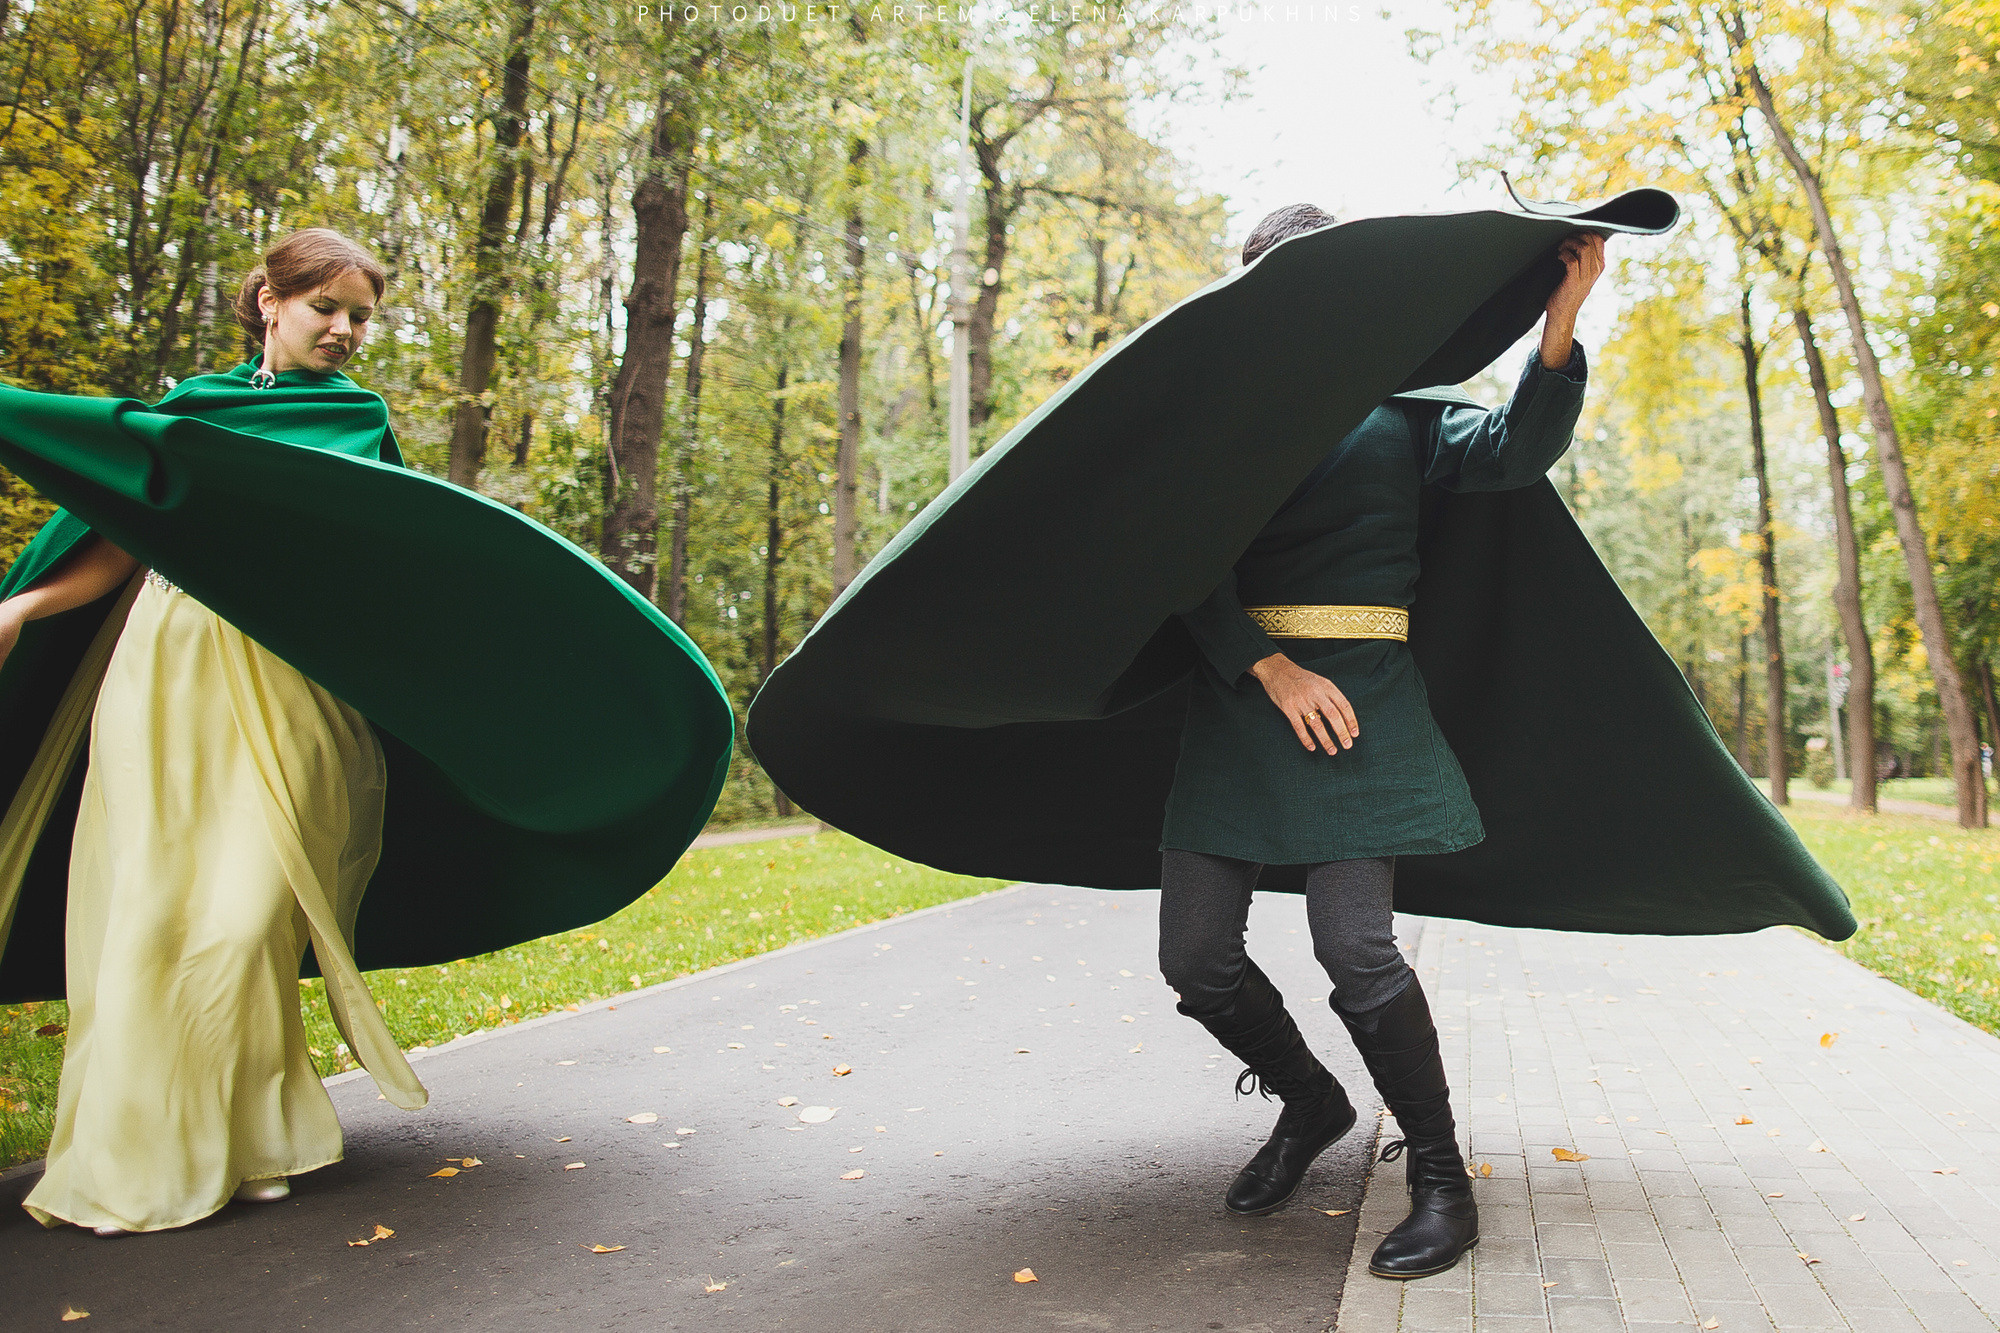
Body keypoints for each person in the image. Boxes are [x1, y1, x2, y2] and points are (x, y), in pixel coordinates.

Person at [1157, 203, 1604, 1280]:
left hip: (1363, 710)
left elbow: (1510, 452)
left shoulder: (1406, 405)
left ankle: (1441, 1181)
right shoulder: (1216, 414)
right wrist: (1264, 664)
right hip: (1241, 695)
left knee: (1354, 948)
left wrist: (1560, 320)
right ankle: (1310, 1104)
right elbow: (1173, 555)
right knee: (1194, 957)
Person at [0, 229, 426, 1235]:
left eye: (361, 314)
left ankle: (247, 1130)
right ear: (269, 302)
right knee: (150, 915)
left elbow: (403, 559)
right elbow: (117, 553)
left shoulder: (361, 423)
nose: (346, 329)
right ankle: (173, 1143)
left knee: (242, 923)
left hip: (290, 687)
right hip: (164, 676)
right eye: (328, 306)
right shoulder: (190, 412)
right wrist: (22, 609)